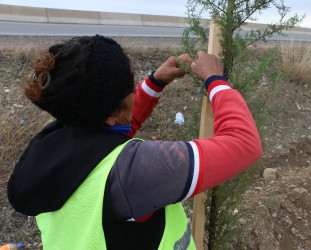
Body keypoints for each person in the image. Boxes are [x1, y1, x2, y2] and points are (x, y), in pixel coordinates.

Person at [7, 35, 262, 249]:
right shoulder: (136, 171)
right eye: (131, 87)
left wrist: (155, 82)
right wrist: (215, 81)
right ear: (113, 113)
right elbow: (243, 143)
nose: (134, 89)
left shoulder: (51, 143)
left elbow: (112, 129)